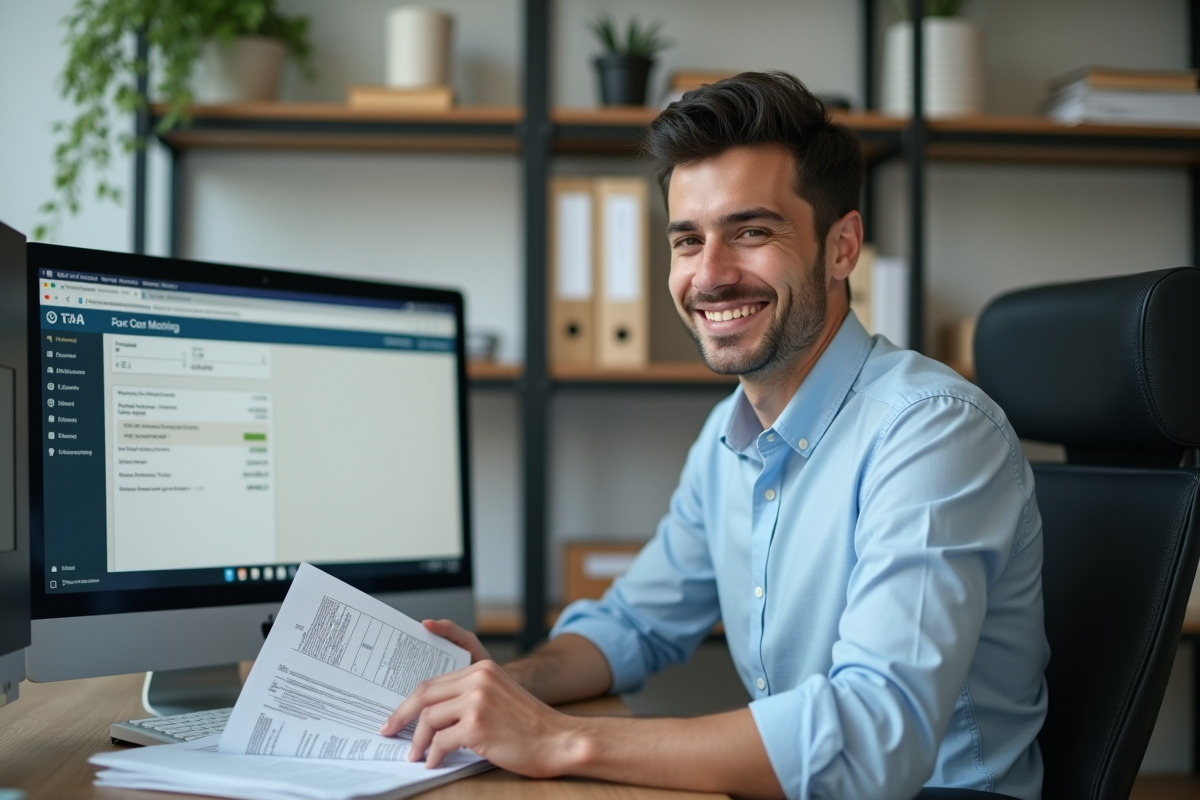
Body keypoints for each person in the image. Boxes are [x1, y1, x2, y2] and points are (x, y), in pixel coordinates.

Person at [381, 71, 1049, 800]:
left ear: (842, 247)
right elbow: (634, 625)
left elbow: (873, 739)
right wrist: (501, 686)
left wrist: (555, 738)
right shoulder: (729, 435)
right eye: (688, 240)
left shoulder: (932, 432)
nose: (710, 276)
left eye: (751, 232)